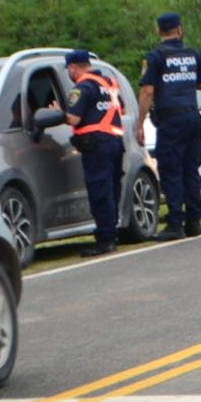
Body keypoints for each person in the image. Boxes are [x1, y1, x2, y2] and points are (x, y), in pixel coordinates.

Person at [136, 12, 201, 241]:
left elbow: (147, 90)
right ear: (179, 29)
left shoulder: (156, 56)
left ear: (159, 32)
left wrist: (140, 123)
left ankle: (175, 223)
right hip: (192, 117)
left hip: (171, 120)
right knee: (191, 170)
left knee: (171, 170)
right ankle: (194, 221)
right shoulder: (193, 53)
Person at [63, 50, 126, 258]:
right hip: (115, 142)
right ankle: (112, 232)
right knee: (111, 188)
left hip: (97, 145)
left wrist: (58, 111)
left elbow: (73, 119)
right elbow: (121, 110)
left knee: (100, 191)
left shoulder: (83, 87)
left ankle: (105, 239)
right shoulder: (108, 82)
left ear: (73, 67)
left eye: (69, 70)